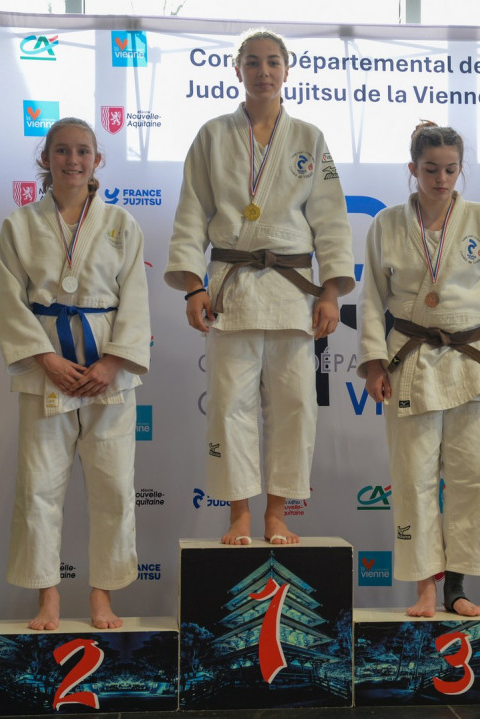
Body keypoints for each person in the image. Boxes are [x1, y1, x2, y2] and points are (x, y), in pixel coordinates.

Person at [165, 29, 353, 546]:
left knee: (296, 406)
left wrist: (330, 293)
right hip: (231, 290)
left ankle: (277, 513)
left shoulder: (309, 138)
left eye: (272, 62)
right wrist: (192, 287)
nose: (263, 72)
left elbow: (331, 220)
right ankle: (239, 515)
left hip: (293, 293)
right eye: (253, 62)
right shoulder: (211, 135)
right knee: (230, 407)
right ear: (237, 70)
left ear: (287, 70)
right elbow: (191, 214)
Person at [358, 122, 480, 617]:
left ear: (460, 169)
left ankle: (457, 584)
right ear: (413, 169)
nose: (441, 179)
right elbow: (371, 300)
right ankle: (425, 587)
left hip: (473, 359)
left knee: (477, 475)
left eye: (451, 170)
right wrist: (373, 363)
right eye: (431, 169)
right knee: (414, 478)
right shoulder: (386, 223)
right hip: (410, 358)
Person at [0, 117, 151, 630]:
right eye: (61, 150)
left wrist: (112, 362)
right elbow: (11, 302)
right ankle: (48, 597)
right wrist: (46, 359)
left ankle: (102, 596)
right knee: (38, 486)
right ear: (45, 159)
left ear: (97, 160)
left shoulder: (122, 224)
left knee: (113, 486)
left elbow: (135, 299)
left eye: (83, 151)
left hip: (109, 371)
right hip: (46, 369)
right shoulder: (19, 225)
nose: (72, 160)